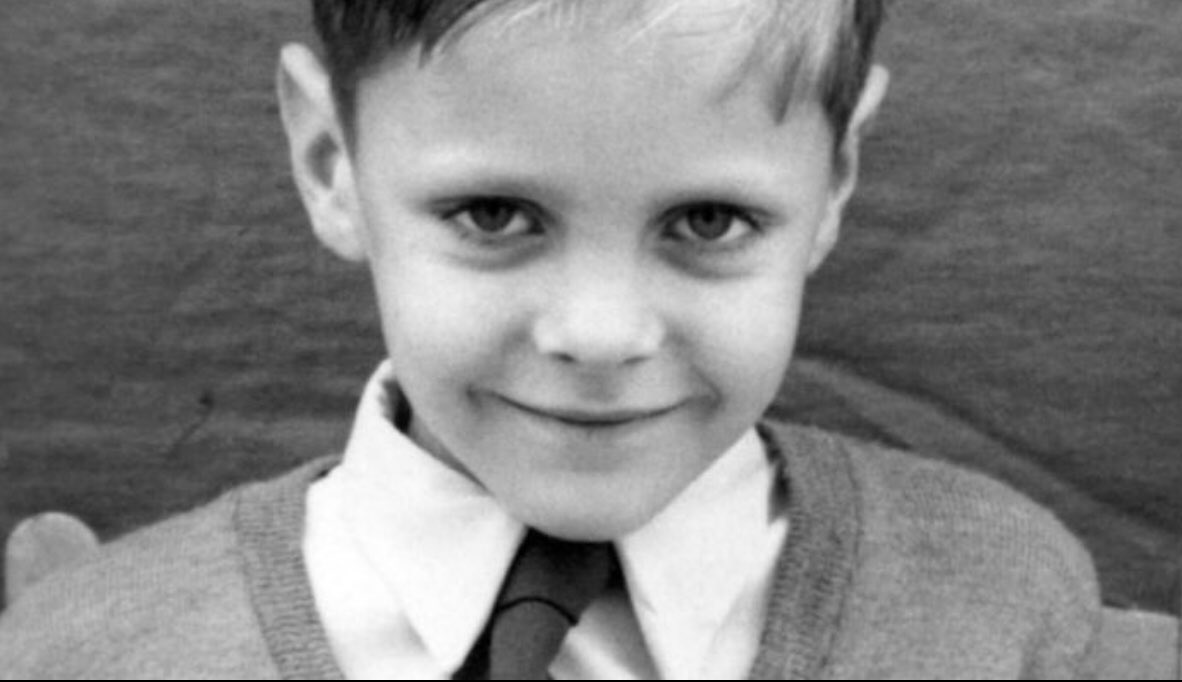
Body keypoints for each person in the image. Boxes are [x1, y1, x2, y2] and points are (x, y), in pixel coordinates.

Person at [0, 0, 1100, 678]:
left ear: (836, 179)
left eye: (709, 222)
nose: (601, 335)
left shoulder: (1008, 604)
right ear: (332, 161)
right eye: (494, 215)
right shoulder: (81, 652)